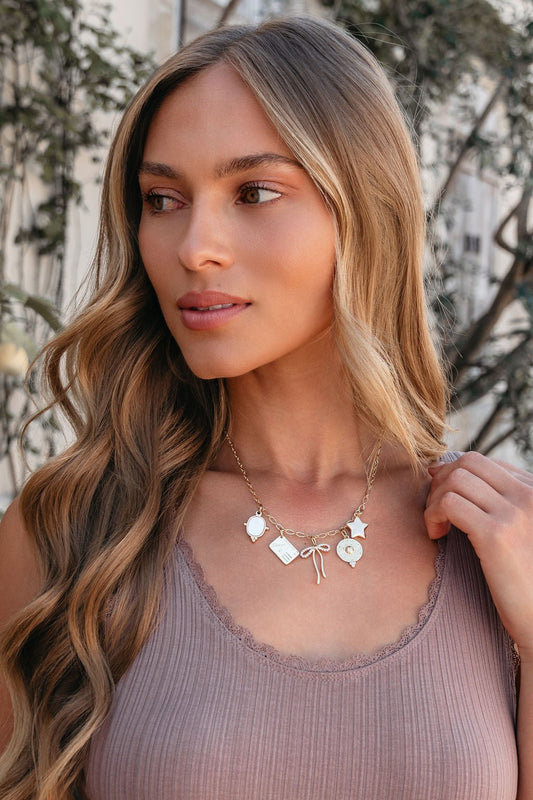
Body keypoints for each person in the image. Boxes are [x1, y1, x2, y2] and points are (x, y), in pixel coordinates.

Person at [0, 14, 532, 800]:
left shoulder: (498, 546)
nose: (193, 246)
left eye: (253, 191)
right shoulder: (73, 534)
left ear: (363, 209)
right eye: (162, 198)